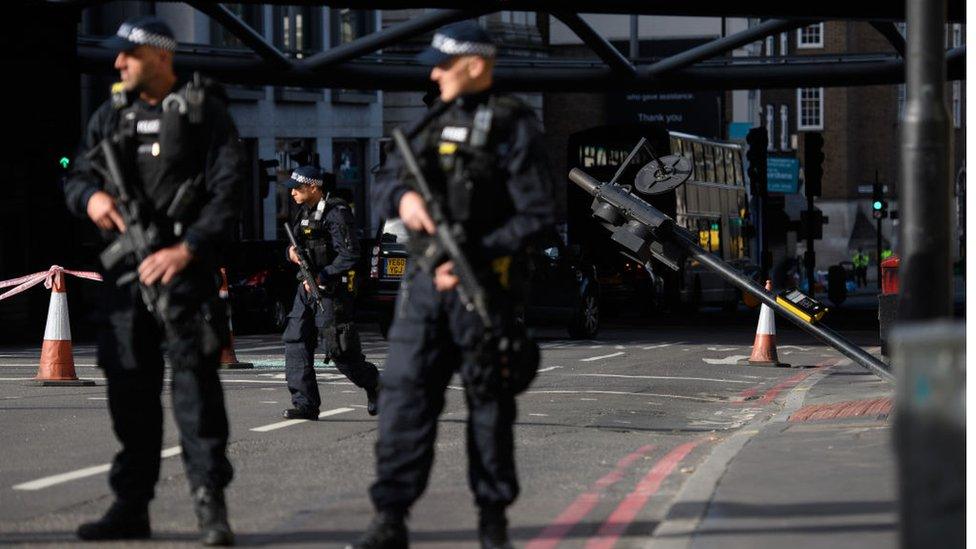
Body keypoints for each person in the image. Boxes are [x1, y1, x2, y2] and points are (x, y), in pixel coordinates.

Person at [350, 21, 555, 549]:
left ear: (475, 65)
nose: (435, 73)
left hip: (481, 292)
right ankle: (389, 517)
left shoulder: (514, 127)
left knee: (488, 408)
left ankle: (492, 521)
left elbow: (536, 215)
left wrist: (475, 256)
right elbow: (385, 180)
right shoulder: (430, 120)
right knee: (402, 400)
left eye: (443, 64)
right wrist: (403, 201)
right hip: (423, 289)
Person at [62, 16, 241, 546]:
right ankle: (131, 504)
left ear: (162, 57)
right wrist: (89, 198)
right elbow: (75, 174)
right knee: (128, 392)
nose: (118, 63)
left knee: (196, 394)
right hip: (125, 277)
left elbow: (228, 191)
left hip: (185, 277)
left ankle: (210, 506)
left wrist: (186, 250)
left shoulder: (203, 112)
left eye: (130, 55)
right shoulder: (109, 115)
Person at [281, 166, 379, 419]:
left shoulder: (336, 212)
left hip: (331, 291)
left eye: (297, 187)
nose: (292, 193)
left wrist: (323, 276)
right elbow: (297, 246)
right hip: (305, 287)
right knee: (296, 341)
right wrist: (291, 254)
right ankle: (305, 404)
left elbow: (350, 254)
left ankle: (375, 384)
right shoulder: (304, 211)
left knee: (340, 351)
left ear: (314, 187)